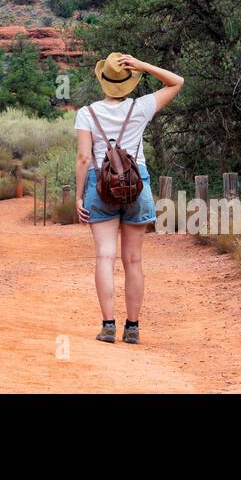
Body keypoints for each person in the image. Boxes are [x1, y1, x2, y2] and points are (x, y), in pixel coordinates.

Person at [74, 52, 183, 344]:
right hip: (137, 184)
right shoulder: (141, 107)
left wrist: (79, 196)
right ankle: (132, 328)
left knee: (104, 257)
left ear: (103, 81)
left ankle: (108, 325)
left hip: (100, 185)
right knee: (133, 261)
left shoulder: (87, 113)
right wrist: (144, 65)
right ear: (129, 81)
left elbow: (84, 158)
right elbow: (177, 82)